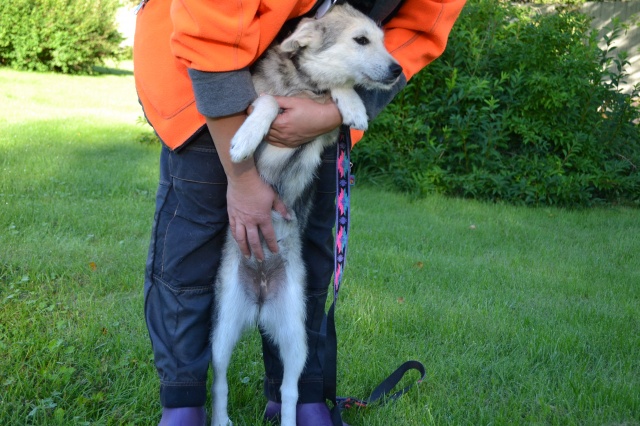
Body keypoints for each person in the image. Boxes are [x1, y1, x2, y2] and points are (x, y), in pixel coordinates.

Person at [133, 0, 465, 425]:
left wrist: (330, 113)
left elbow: (419, 29)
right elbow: (209, 35)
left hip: (317, 89)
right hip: (200, 74)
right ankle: (183, 404)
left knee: (306, 246)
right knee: (194, 243)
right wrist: (242, 180)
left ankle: (301, 395)